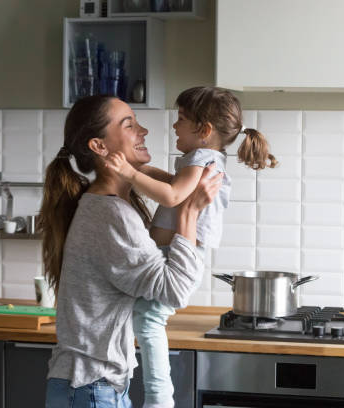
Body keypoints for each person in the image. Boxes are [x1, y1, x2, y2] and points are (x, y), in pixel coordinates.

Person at [39, 94, 223, 408]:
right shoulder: (112, 214)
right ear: (99, 146)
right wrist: (189, 212)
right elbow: (174, 290)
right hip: (92, 389)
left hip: (93, 387)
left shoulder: (110, 206)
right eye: (130, 125)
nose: (144, 131)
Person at [105, 86, 277, 408]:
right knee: (145, 317)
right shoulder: (203, 159)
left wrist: (129, 171)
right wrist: (138, 169)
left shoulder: (202, 158)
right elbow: (174, 185)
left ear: (204, 130)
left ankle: (159, 398)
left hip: (179, 256)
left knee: (148, 320)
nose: (174, 125)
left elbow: (172, 197)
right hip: (172, 254)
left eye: (181, 119)